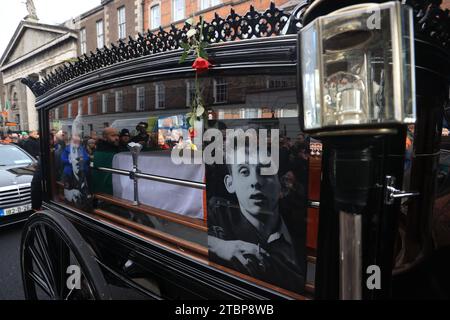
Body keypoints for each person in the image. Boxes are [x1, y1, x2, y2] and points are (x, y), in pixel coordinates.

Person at [208, 139, 306, 293]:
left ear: (282, 184)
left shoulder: (300, 227)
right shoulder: (218, 213)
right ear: (230, 183)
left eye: (265, 171)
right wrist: (219, 246)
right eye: (244, 171)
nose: (255, 181)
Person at [92, 127, 119, 195]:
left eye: (117, 135)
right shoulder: (104, 151)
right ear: (104, 137)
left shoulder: (112, 149)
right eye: (113, 135)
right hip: (107, 192)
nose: (117, 138)